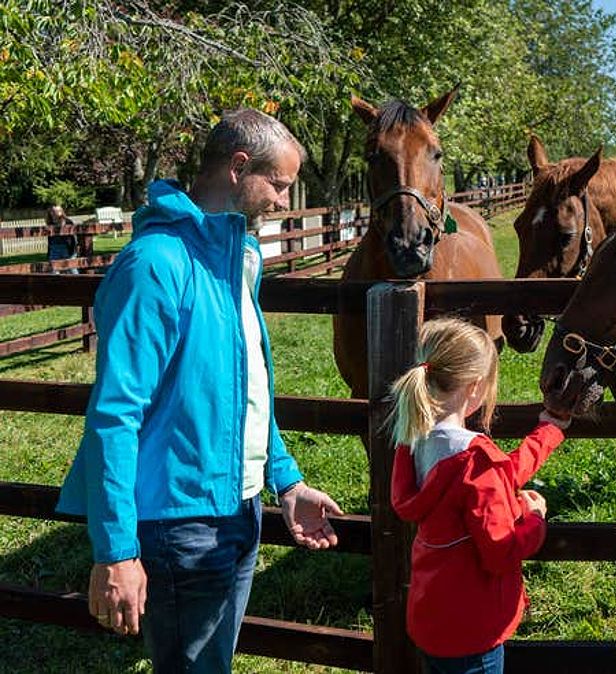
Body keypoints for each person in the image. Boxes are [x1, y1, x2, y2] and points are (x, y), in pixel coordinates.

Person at [56, 108, 344, 673]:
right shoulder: (155, 265)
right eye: (280, 185)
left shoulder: (241, 257)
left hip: (240, 508)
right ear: (239, 167)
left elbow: (246, 391)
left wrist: (285, 481)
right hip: (178, 522)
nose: (285, 202)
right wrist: (115, 549)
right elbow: (115, 415)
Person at [389, 317, 571, 674]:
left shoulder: (412, 440)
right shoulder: (474, 460)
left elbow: (500, 475)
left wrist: (548, 433)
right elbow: (501, 552)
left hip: (432, 618)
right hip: (474, 631)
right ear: (475, 388)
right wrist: (535, 519)